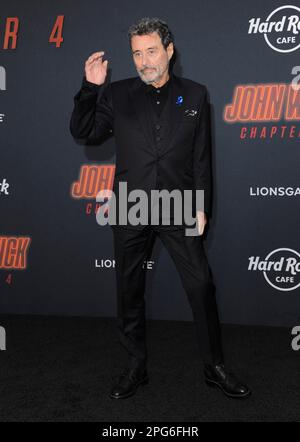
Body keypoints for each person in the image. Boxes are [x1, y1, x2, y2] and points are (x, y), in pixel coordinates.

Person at [70, 17, 251, 400]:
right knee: (129, 290)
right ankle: (135, 367)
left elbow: (202, 158)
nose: (144, 60)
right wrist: (90, 88)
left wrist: (202, 205)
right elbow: (84, 131)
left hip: (179, 204)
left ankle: (214, 367)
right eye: (137, 53)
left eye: (151, 51)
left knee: (201, 285)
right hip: (131, 205)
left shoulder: (196, 94)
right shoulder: (116, 94)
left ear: (169, 51)